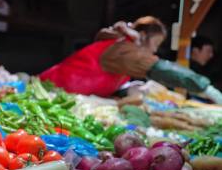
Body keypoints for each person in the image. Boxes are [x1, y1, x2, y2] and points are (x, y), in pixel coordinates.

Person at [39, 16, 222, 103]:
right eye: (155, 43)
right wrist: (205, 87)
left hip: (63, 95)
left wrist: (125, 90)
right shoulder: (125, 49)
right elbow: (160, 68)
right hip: (51, 93)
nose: (155, 49)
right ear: (142, 36)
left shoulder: (123, 46)